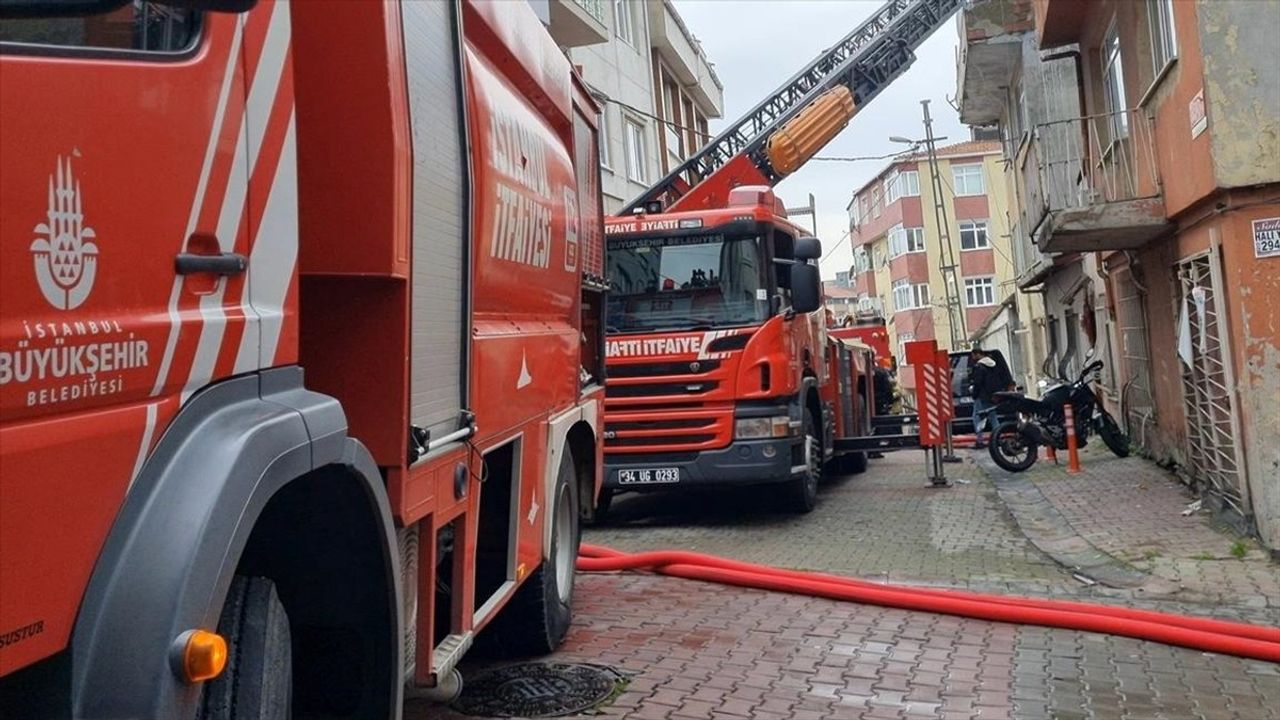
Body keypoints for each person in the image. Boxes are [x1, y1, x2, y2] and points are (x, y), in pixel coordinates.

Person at [968, 347, 1005, 449]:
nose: (973, 358)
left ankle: (979, 440)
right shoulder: (993, 365)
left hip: (982, 396)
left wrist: (974, 394)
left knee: (977, 417)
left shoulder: (979, 367)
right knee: (993, 417)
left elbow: (978, 383)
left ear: (977, 354)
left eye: (973, 355)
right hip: (992, 396)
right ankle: (999, 438)